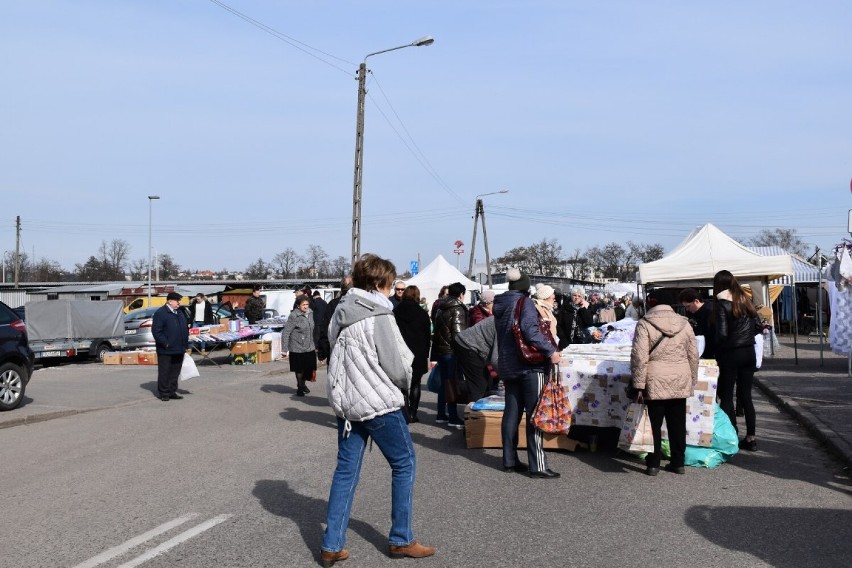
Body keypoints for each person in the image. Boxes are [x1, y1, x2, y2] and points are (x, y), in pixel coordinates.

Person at [321, 253, 435, 565]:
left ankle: (332, 543)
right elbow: (398, 365)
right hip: (378, 403)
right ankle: (401, 538)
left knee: (346, 471)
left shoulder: (340, 312)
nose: (390, 290)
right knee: (405, 463)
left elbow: (334, 350)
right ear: (377, 284)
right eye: (387, 284)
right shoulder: (380, 315)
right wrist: (405, 383)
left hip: (347, 404)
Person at [493, 268, 561, 478]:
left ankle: (509, 460)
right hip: (530, 366)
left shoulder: (500, 304)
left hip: (508, 364)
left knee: (511, 413)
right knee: (535, 415)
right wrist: (551, 351)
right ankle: (537, 465)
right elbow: (530, 331)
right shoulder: (525, 303)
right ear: (525, 287)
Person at [629, 289, 698, 476]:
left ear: (653, 302)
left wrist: (638, 384)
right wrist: (693, 379)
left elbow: (639, 357)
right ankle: (678, 462)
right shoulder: (685, 323)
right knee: (677, 423)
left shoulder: (645, 323)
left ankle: (653, 464)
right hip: (680, 376)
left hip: (655, 377)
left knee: (653, 424)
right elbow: (693, 354)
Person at [712, 270, 760, 451]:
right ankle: (751, 438)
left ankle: (730, 436)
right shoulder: (745, 300)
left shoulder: (723, 304)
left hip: (730, 354)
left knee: (726, 396)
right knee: (746, 396)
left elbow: (722, 334)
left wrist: (715, 344)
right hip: (749, 352)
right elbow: (757, 327)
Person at [432, 282, 469, 429]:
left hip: (441, 350)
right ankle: (453, 417)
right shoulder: (457, 309)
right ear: (461, 294)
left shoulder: (441, 307)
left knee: (444, 383)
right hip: (452, 352)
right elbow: (459, 334)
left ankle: (441, 414)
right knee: (452, 383)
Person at [393, 285, 431, 423]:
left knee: (401, 385)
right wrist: (427, 354)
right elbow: (427, 336)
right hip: (418, 352)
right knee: (416, 384)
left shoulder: (395, 312)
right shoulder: (422, 314)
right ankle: (413, 413)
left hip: (400, 352)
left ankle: (404, 413)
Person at [151, 292, 190, 402]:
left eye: (179, 301)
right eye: (177, 301)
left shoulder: (179, 312)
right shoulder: (161, 313)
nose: (179, 303)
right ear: (170, 301)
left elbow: (184, 328)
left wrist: (185, 344)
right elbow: (156, 331)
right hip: (166, 349)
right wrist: (166, 343)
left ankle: (172, 391)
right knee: (165, 371)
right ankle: (164, 392)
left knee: (175, 371)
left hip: (179, 348)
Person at [281, 294, 317, 397]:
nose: (306, 306)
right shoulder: (294, 316)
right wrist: (284, 349)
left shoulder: (311, 313)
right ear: (298, 306)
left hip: (309, 345)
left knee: (309, 368)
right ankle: (300, 388)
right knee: (299, 369)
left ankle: (302, 383)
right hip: (297, 346)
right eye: (303, 305)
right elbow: (286, 332)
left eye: (307, 304)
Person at [317, 275, 352, 362]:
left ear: (341, 287)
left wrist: (323, 351)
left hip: (335, 351)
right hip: (353, 353)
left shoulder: (333, 304)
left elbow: (325, 328)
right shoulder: (360, 304)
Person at [679, 288, 716, 360]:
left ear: (696, 301)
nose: (687, 309)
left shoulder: (710, 312)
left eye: (688, 306)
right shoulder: (693, 313)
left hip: (711, 352)